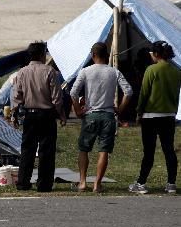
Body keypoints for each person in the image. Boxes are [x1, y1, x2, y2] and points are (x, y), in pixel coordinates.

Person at [70, 42, 133, 193]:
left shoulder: (85, 71)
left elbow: (73, 92)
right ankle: (97, 184)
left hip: (90, 115)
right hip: (108, 115)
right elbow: (128, 91)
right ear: (106, 55)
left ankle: (83, 182)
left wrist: (78, 110)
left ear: (93, 55)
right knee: (103, 150)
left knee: (84, 149)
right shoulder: (113, 72)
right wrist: (120, 110)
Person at [11, 41, 67, 192]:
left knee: (27, 150)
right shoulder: (50, 72)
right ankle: (44, 184)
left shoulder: (22, 72)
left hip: (30, 115)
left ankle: (23, 182)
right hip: (47, 116)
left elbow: (17, 97)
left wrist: (14, 115)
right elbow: (57, 98)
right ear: (43, 55)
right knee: (46, 151)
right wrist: (61, 115)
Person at [129, 41, 180, 194]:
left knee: (149, 152)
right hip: (169, 115)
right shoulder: (176, 71)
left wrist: (139, 112)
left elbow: (144, 93)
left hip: (151, 116)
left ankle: (141, 183)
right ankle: (171, 184)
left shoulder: (151, 70)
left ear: (156, 54)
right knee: (169, 150)